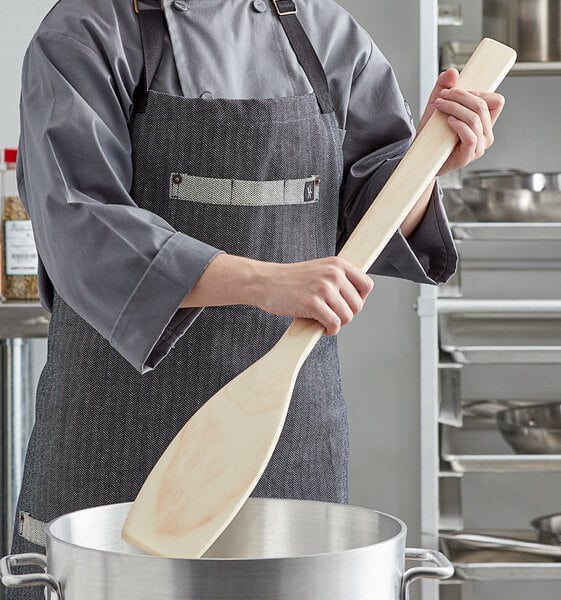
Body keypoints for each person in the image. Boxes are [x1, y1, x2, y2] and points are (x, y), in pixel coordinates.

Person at [8, 0, 504, 595]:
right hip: (107, 457)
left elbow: (375, 215)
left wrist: (428, 165)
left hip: (291, 448)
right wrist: (264, 281)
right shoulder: (84, 32)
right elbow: (80, 223)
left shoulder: (329, 33)